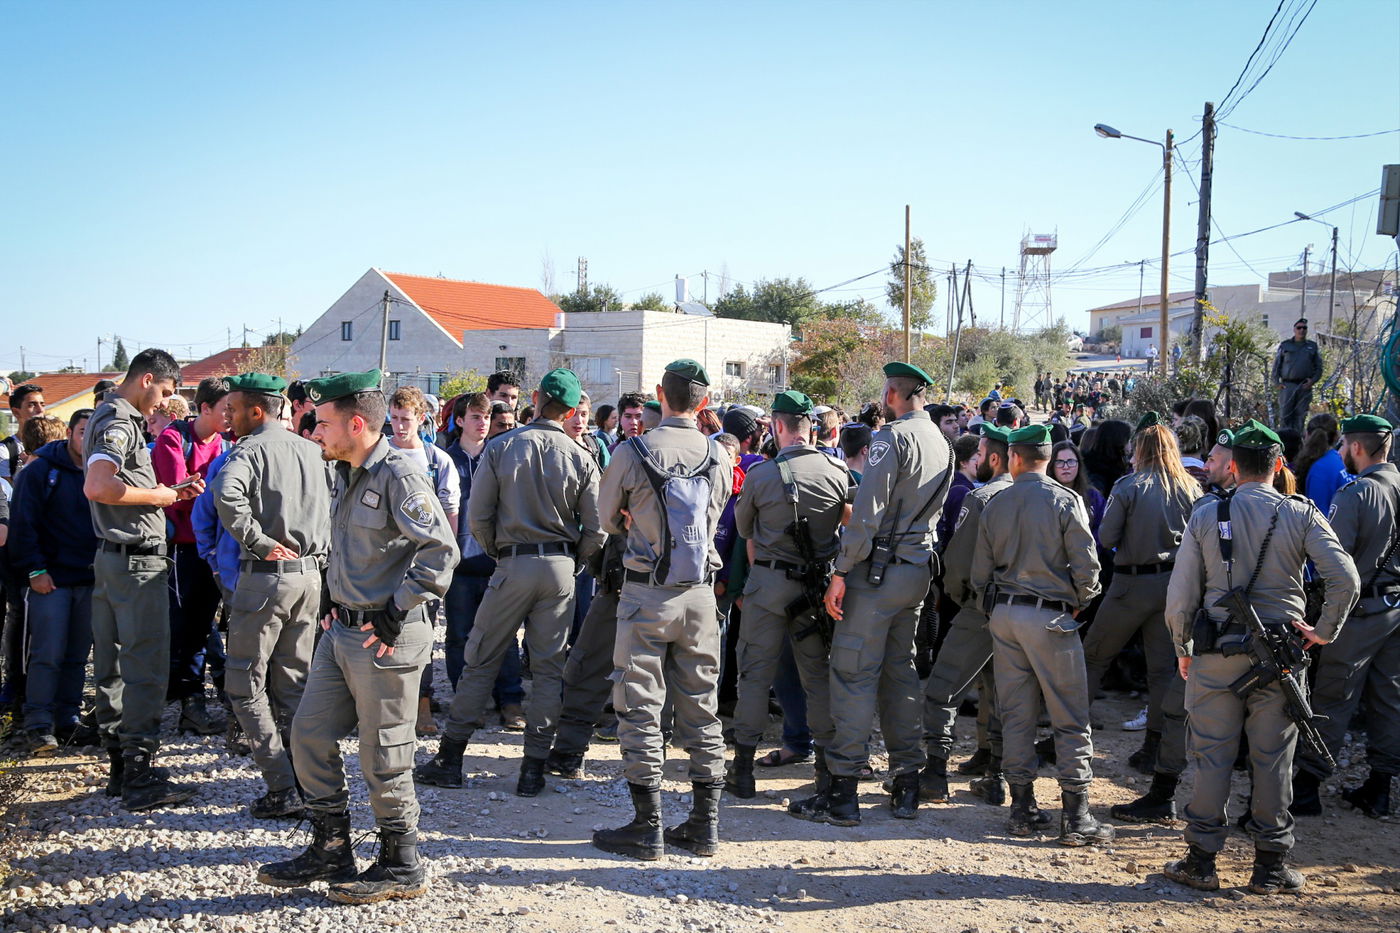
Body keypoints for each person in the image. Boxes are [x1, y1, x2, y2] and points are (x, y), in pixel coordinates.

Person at [257, 368, 457, 904]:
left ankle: (400, 861)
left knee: (384, 751)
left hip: (385, 635)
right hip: (341, 629)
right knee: (308, 733)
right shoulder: (343, 472)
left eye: (322, 423)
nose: (315, 432)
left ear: (356, 423)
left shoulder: (398, 475)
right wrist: (329, 591)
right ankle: (331, 846)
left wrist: (398, 607)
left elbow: (441, 551)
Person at [1162, 419, 1357, 895]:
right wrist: (1323, 631)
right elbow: (1345, 579)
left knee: (1211, 755)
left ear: (1234, 465)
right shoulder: (1300, 512)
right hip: (1282, 655)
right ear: (1277, 465)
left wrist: (1182, 647)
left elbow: (1180, 596)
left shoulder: (1207, 512)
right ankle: (1270, 866)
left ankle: (1201, 861)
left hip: (1214, 655)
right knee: (1273, 759)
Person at [416, 369, 603, 797]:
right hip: (559, 565)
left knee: (481, 657)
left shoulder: (501, 447)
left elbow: (477, 517)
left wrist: (501, 554)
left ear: (535, 398)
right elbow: (597, 528)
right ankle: (533, 767)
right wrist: (573, 559)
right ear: (573, 410)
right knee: (549, 669)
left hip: (513, 562)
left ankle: (451, 757)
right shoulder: (580, 455)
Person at [591, 360, 732, 860]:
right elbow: (714, 514)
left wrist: (636, 520)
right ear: (704, 402)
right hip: (699, 594)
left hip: (647, 593)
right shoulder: (718, 454)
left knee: (639, 706)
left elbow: (607, 518)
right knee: (702, 706)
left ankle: (647, 824)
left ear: (659, 394)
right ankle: (704, 823)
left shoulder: (633, 450)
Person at [806, 362, 952, 826]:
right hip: (915, 571)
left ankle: (843, 792)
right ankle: (907, 782)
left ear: (891, 393)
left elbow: (867, 513)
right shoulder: (942, 441)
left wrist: (841, 569)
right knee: (900, 673)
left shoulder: (891, 438)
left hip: (878, 572)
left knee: (851, 674)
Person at [971, 423, 1109, 845]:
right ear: (1047, 458)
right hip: (1051, 617)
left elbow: (980, 573)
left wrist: (994, 607)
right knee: (1069, 714)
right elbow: (1087, 565)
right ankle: (1076, 814)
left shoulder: (996, 502)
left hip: (1006, 616)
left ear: (1013, 457)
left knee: (1016, 714)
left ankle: (1022, 808)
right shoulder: (1064, 500)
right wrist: (1080, 599)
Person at [82, 349, 204, 810]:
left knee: (112, 666)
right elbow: (99, 485)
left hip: (113, 559)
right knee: (146, 666)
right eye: (166, 392)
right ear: (147, 379)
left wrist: (169, 493)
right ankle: (138, 774)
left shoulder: (104, 415)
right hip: (135, 563)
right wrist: (159, 495)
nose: (164, 405)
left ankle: (121, 766)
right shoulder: (121, 419)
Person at [212, 372, 332, 819]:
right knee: (294, 684)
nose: (229, 416)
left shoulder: (249, 451)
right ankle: (308, 783)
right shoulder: (312, 451)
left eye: (234, 409)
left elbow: (227, 494)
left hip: (267, 578)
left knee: (244, 685)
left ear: (256, 410)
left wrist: (259, 542)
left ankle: (282, 787)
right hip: (310, 579)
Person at [725, 390, 853, 805]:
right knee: (816, 678)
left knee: (755, 677)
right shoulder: (837, 473)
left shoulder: (761, 475)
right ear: (810, 428)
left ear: (778, 427)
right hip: (815, 590)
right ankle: (825, 774)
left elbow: (745, 529)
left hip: (768, 586)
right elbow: (850, 523)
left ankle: (742, 770)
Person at [1081, 414, 1200, 788]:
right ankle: (1154, 745)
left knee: (1093, 656)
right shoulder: (1191, 488)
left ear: (1142, 451)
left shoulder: (1129, 486)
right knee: (1163, 670)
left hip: (1131, 583)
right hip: (1174, 586)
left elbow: (1107, 535)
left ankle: (1068, 735)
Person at [1294, 414, 1399, 818]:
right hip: (1395, 606)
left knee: (1333, 694)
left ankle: (1306, 786)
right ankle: (1381, 787)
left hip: (1360, 612)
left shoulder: (1356, 495)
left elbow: (1330, 562)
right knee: (1389, 696)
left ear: (1357, 447)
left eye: (1345, 446)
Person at [916, 425, 1013, 806]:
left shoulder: (982, 497)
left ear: (993, 458)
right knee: (1002, 693)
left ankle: (935, 774)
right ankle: (998, 775)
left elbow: (957, 563)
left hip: (980, 608)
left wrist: (959, 597)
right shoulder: (1049, 496)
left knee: (942, 690)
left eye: (982, 451)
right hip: (1021, 613)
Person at [9, 409, 98, 755]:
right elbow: (23, 524)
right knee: (46, 653)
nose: (86, 439)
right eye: (81, 431)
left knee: (77, 655)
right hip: (50, 580)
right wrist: (34, 570)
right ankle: (38, 724)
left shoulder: (102, 470)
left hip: (88, 579)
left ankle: (68, 719)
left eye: (93, 433)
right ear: (70, 433)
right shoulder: (41, 471)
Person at [153, 376, 232, 736]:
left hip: (215, 547)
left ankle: (198, 699)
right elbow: (178, 496)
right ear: (204, 408)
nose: (231, 416)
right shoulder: (174, 439)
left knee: (205, 626)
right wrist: (199, 491)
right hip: (184, 550)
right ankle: (190, 703)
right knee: (188, 629)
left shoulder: (226, 445)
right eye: (225, 409)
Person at [440, 393, 525, 728]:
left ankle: (510, 701)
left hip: (497, 562)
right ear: (460, 420)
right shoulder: (447, 461)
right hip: (460, 566)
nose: (483, 423)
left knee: (502, 635)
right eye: (476, 416)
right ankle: (466, 702)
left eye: (486, 417)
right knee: (459, 634)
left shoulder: (501, 457)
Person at [1272, 319, 1322, 434]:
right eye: (1299, 328)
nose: (1302, 330)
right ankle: (1284, 442)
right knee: (1285, 415)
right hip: (1287, 386)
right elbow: (1277, 365)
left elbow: (1318, 367)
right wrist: (1277, 382)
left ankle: (1298, 442)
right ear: (1294, 330)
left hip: (1304, 386)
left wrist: (1312, 381)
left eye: (1304, 328)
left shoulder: (1312, 346)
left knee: (1301, 416)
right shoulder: (1285, 345)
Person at [1295, 413, 1349, 514]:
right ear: (1336, 436)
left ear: (1307, 434)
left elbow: (1318, 516)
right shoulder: (1342, 461)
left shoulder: (1319, 469)